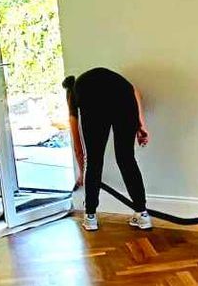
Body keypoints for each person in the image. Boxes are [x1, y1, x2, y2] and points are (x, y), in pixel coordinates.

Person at [64, 68, 151, 232]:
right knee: (126, 158)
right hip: (124, 98)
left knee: (94, 160)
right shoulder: (99, 80)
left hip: (97, 100)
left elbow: (79, 149)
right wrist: (141, 125)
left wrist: (82, 173)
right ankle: (142, 214)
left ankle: (90, 217)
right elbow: (134, 91)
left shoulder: (76, 95)